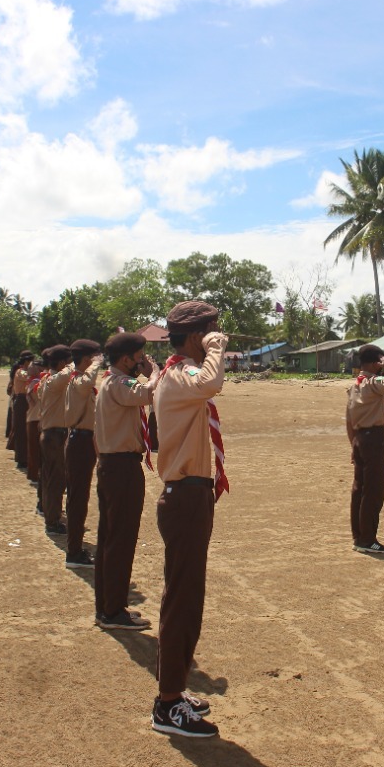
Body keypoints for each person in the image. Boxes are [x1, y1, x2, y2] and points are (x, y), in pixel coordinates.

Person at [149, 300, 228, 739]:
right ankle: (167, 705)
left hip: (192, 496)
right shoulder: (181, 376)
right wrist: (215, 349)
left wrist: (209, 348)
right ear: (196, 336)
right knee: (181, 599)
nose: (218, 335)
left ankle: (173, 691)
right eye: (212, 330)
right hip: (185, 499)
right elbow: (212, 380)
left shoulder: (179, 375)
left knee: (186, 596)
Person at [94, 332, 157, 630]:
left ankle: (107, 605)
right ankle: (113, 611)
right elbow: (150, 393)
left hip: (111, 465)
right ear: (125, 359)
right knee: (120, 539)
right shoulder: (120, 383)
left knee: (109, 538)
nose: (142, 362)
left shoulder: (109, 382)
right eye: (139, 357)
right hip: (121, 468)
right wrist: (154, 372)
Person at [345, 344, 384, 554]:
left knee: (359, 489)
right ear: (375, 362)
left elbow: (349, 421)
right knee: (373, 490)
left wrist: (353, 445)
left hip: (359, 438)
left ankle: (359, 536)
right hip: (374, 438)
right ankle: (368, 539)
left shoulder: (355, 386)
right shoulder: (373, 383)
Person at [64, 339, 104, 568]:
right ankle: (74, 551)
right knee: (78, 498)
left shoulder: (77, 380)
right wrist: (96, 364)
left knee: (79, 497)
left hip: (84, 441)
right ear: (87, 359)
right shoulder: (79, 380)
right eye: (94, 357)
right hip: (80, 442)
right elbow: (88, 381)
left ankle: (75, 547)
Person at [39, 345, 73, 537]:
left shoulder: (46, 379)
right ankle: (52, 521)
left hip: (51, 433)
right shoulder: (55, 380)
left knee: (50, 477)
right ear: (61, 363)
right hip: (55, 434)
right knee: (55, 480)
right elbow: (70, 371)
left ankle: (50, 514)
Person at [25, 358, 46, 499]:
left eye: (33, 366)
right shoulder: (37, 382)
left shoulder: (39, 381)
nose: (29, 368)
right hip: (36, 419)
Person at [9, 351, 34, 468]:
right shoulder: (20, 372)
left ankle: (25, 457)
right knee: (21, 431)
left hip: (25, 401)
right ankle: (21, 458)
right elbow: (27, 377)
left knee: (26, 431)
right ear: (26, 362)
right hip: (21, 401)